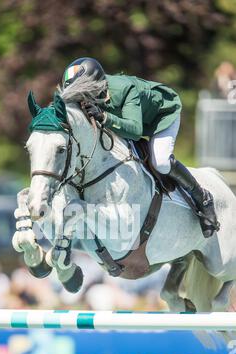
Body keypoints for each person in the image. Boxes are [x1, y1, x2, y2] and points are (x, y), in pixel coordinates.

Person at [61, 57, 220, 238]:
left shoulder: (125, 89)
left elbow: (135, 131)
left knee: (160, 161)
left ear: (94, 86)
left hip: (162, 116)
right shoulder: (93, 95)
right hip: (130, 120)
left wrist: (105, 117)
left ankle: (202, 197)